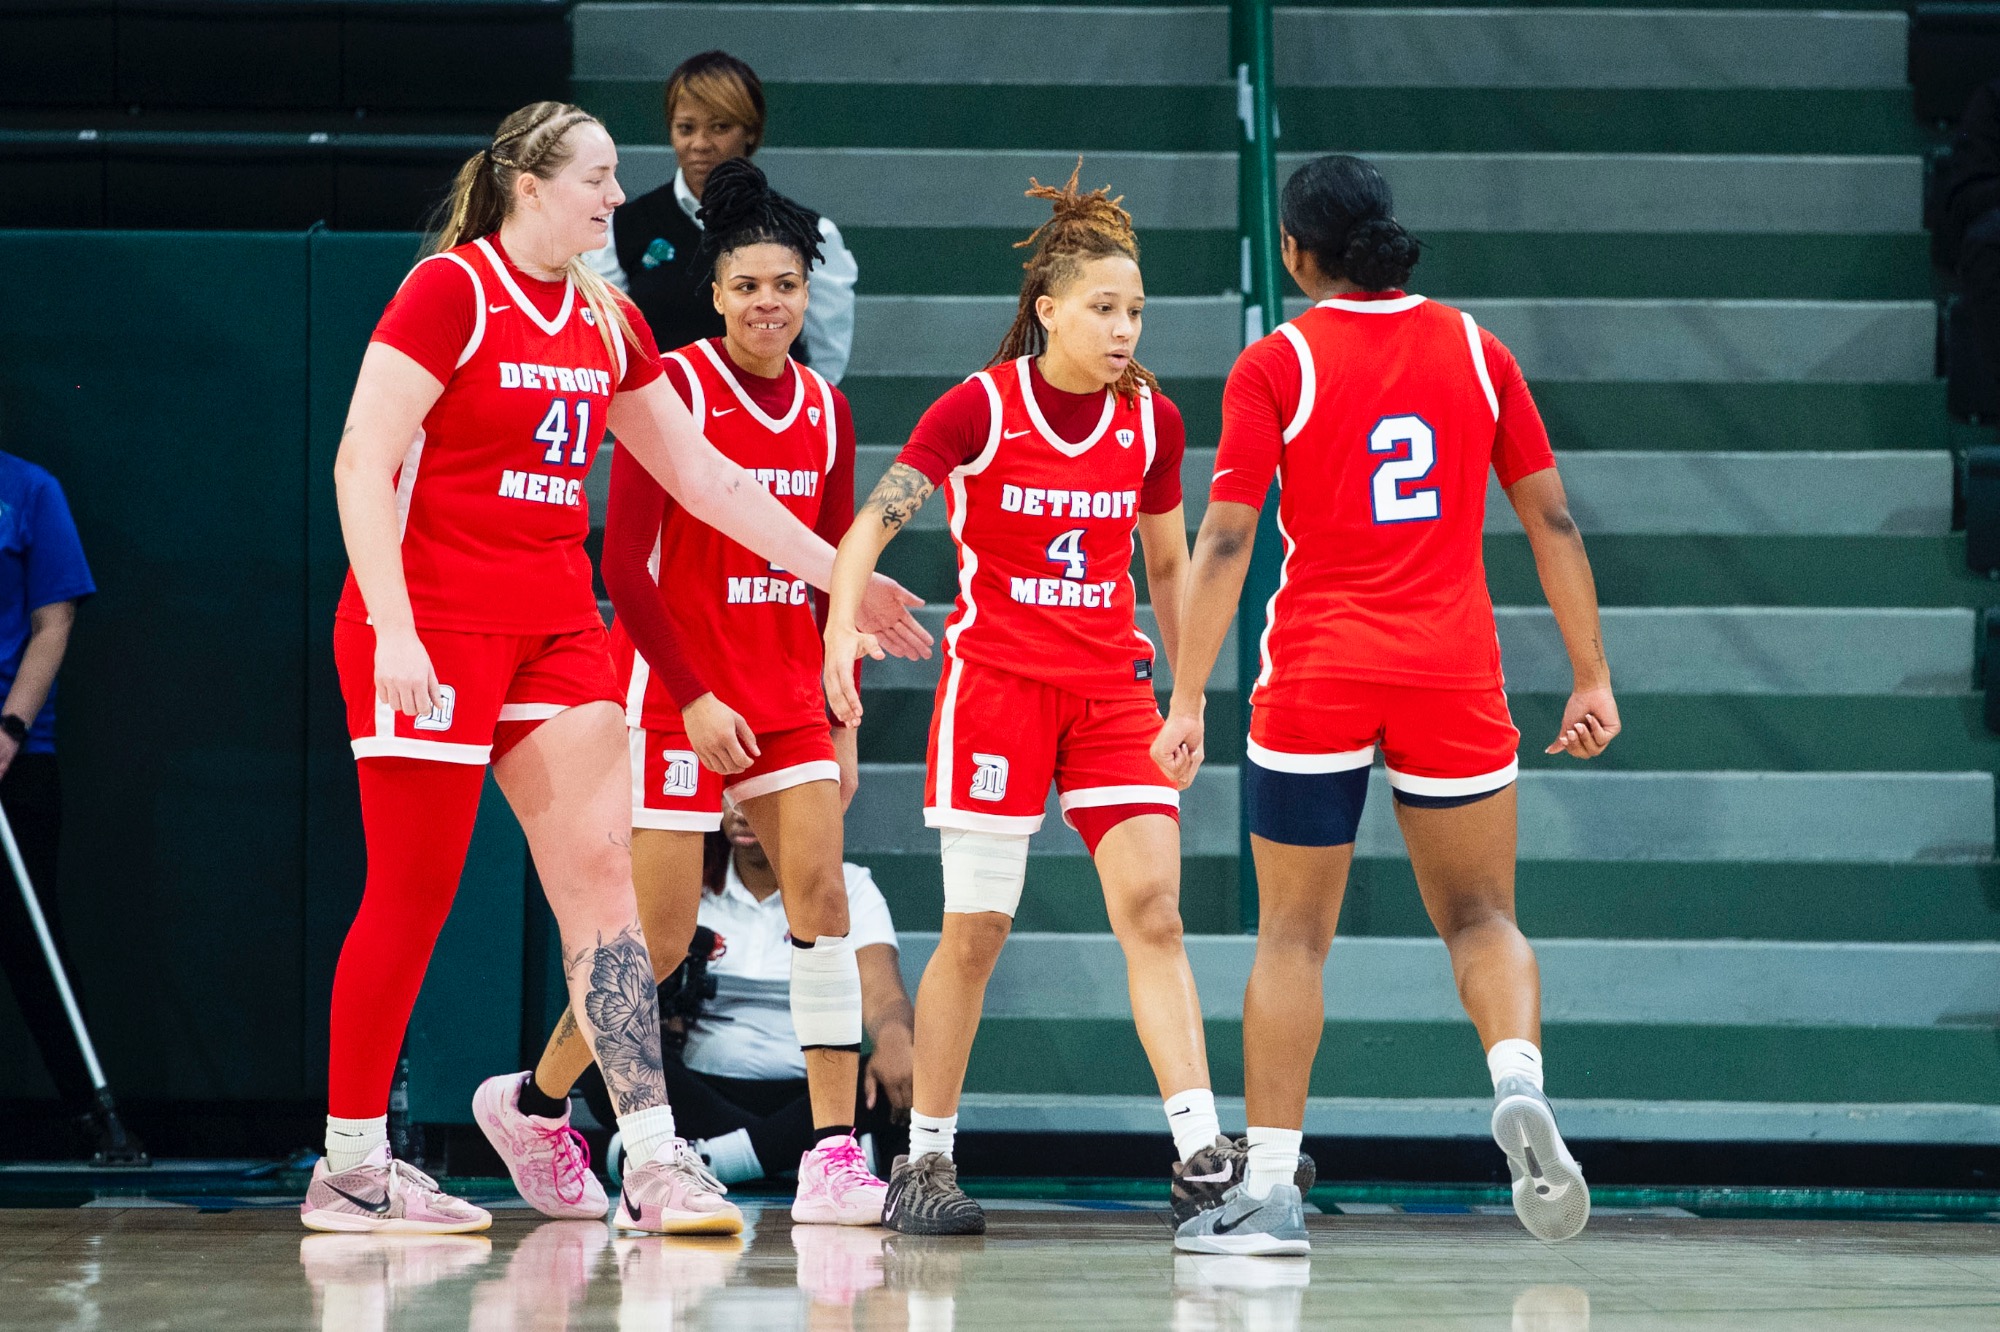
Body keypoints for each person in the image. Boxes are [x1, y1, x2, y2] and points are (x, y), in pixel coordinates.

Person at [314, 101, 926, 1236]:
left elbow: (707, 481)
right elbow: (362, 459)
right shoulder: (450, 291)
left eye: (611, 180)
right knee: (413, 896)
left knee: (605, 897)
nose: (613, 200)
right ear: (526, 187)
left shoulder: (604, 315)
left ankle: (650, 1154)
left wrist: (843, 579)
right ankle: (351, 1164)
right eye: (595, 180)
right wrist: (392, 626)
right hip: (434, 624)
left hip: (553, 626)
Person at [1158, 155, 1618, 1255]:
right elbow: (1551, 525)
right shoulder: (1475, 348)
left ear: (1293, 250)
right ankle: (1514, 1079)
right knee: (1481, 918)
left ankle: (1267, 1192)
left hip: (1318, 670)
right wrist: (1590, 674)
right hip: (1452, 670)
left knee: (1292, 938)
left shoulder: (1275, 361)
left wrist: (1183, 696)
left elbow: (1223, 537)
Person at [479, 157, 915, 1228]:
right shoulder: (668, 390)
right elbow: (623, 565)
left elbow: (825, 564)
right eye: (748, 287)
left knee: (820, 907)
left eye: (786, 286)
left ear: (808, 295)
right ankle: (537, 1104)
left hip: (786, 694)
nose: (769, 303)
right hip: (681, 692)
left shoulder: (824, 410)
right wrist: (693, 695)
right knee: (656, 943)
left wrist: (838, 682)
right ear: (715, 296)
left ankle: (829, 1156)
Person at [823, 166, 1252, 1237]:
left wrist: (1188, 691)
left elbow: (1167, 569)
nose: (1122, 330)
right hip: (998, 689)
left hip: (1112, 690)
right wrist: (838, 629)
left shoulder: (1150, 420)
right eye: (1103, 309)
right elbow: (873, 520)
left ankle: (1200, 1153)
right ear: (1048, 310)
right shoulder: (981, 405)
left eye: (1136, 311)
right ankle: (923, 1163)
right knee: (974, 932)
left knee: (1153, 911)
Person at [594, 804, 914, 1188]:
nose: (744, 810)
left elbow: (884, 995)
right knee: (600, 1054)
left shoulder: (848, 886)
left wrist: (895, 1037)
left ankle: (700, 1161)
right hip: (701, 1088)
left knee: (908, 1068)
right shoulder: (688, 880)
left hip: (814, 1095)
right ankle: (808, 1157)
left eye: (761, 794)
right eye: (730, 795)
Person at [0, 448, 144, 1163]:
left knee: (30, 939)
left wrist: (9, 730)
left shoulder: (28, 491)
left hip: (16, 756)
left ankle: (91, 1114)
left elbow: (52, 622)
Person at [584, 50, 858, 383]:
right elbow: (605, 343)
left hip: (769, 423)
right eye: (686, 128)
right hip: (662, 423)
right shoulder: (621, 227)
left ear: (751, 131)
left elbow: (826, 358)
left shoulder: (810, 232)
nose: (699, 143)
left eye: (720, 127)